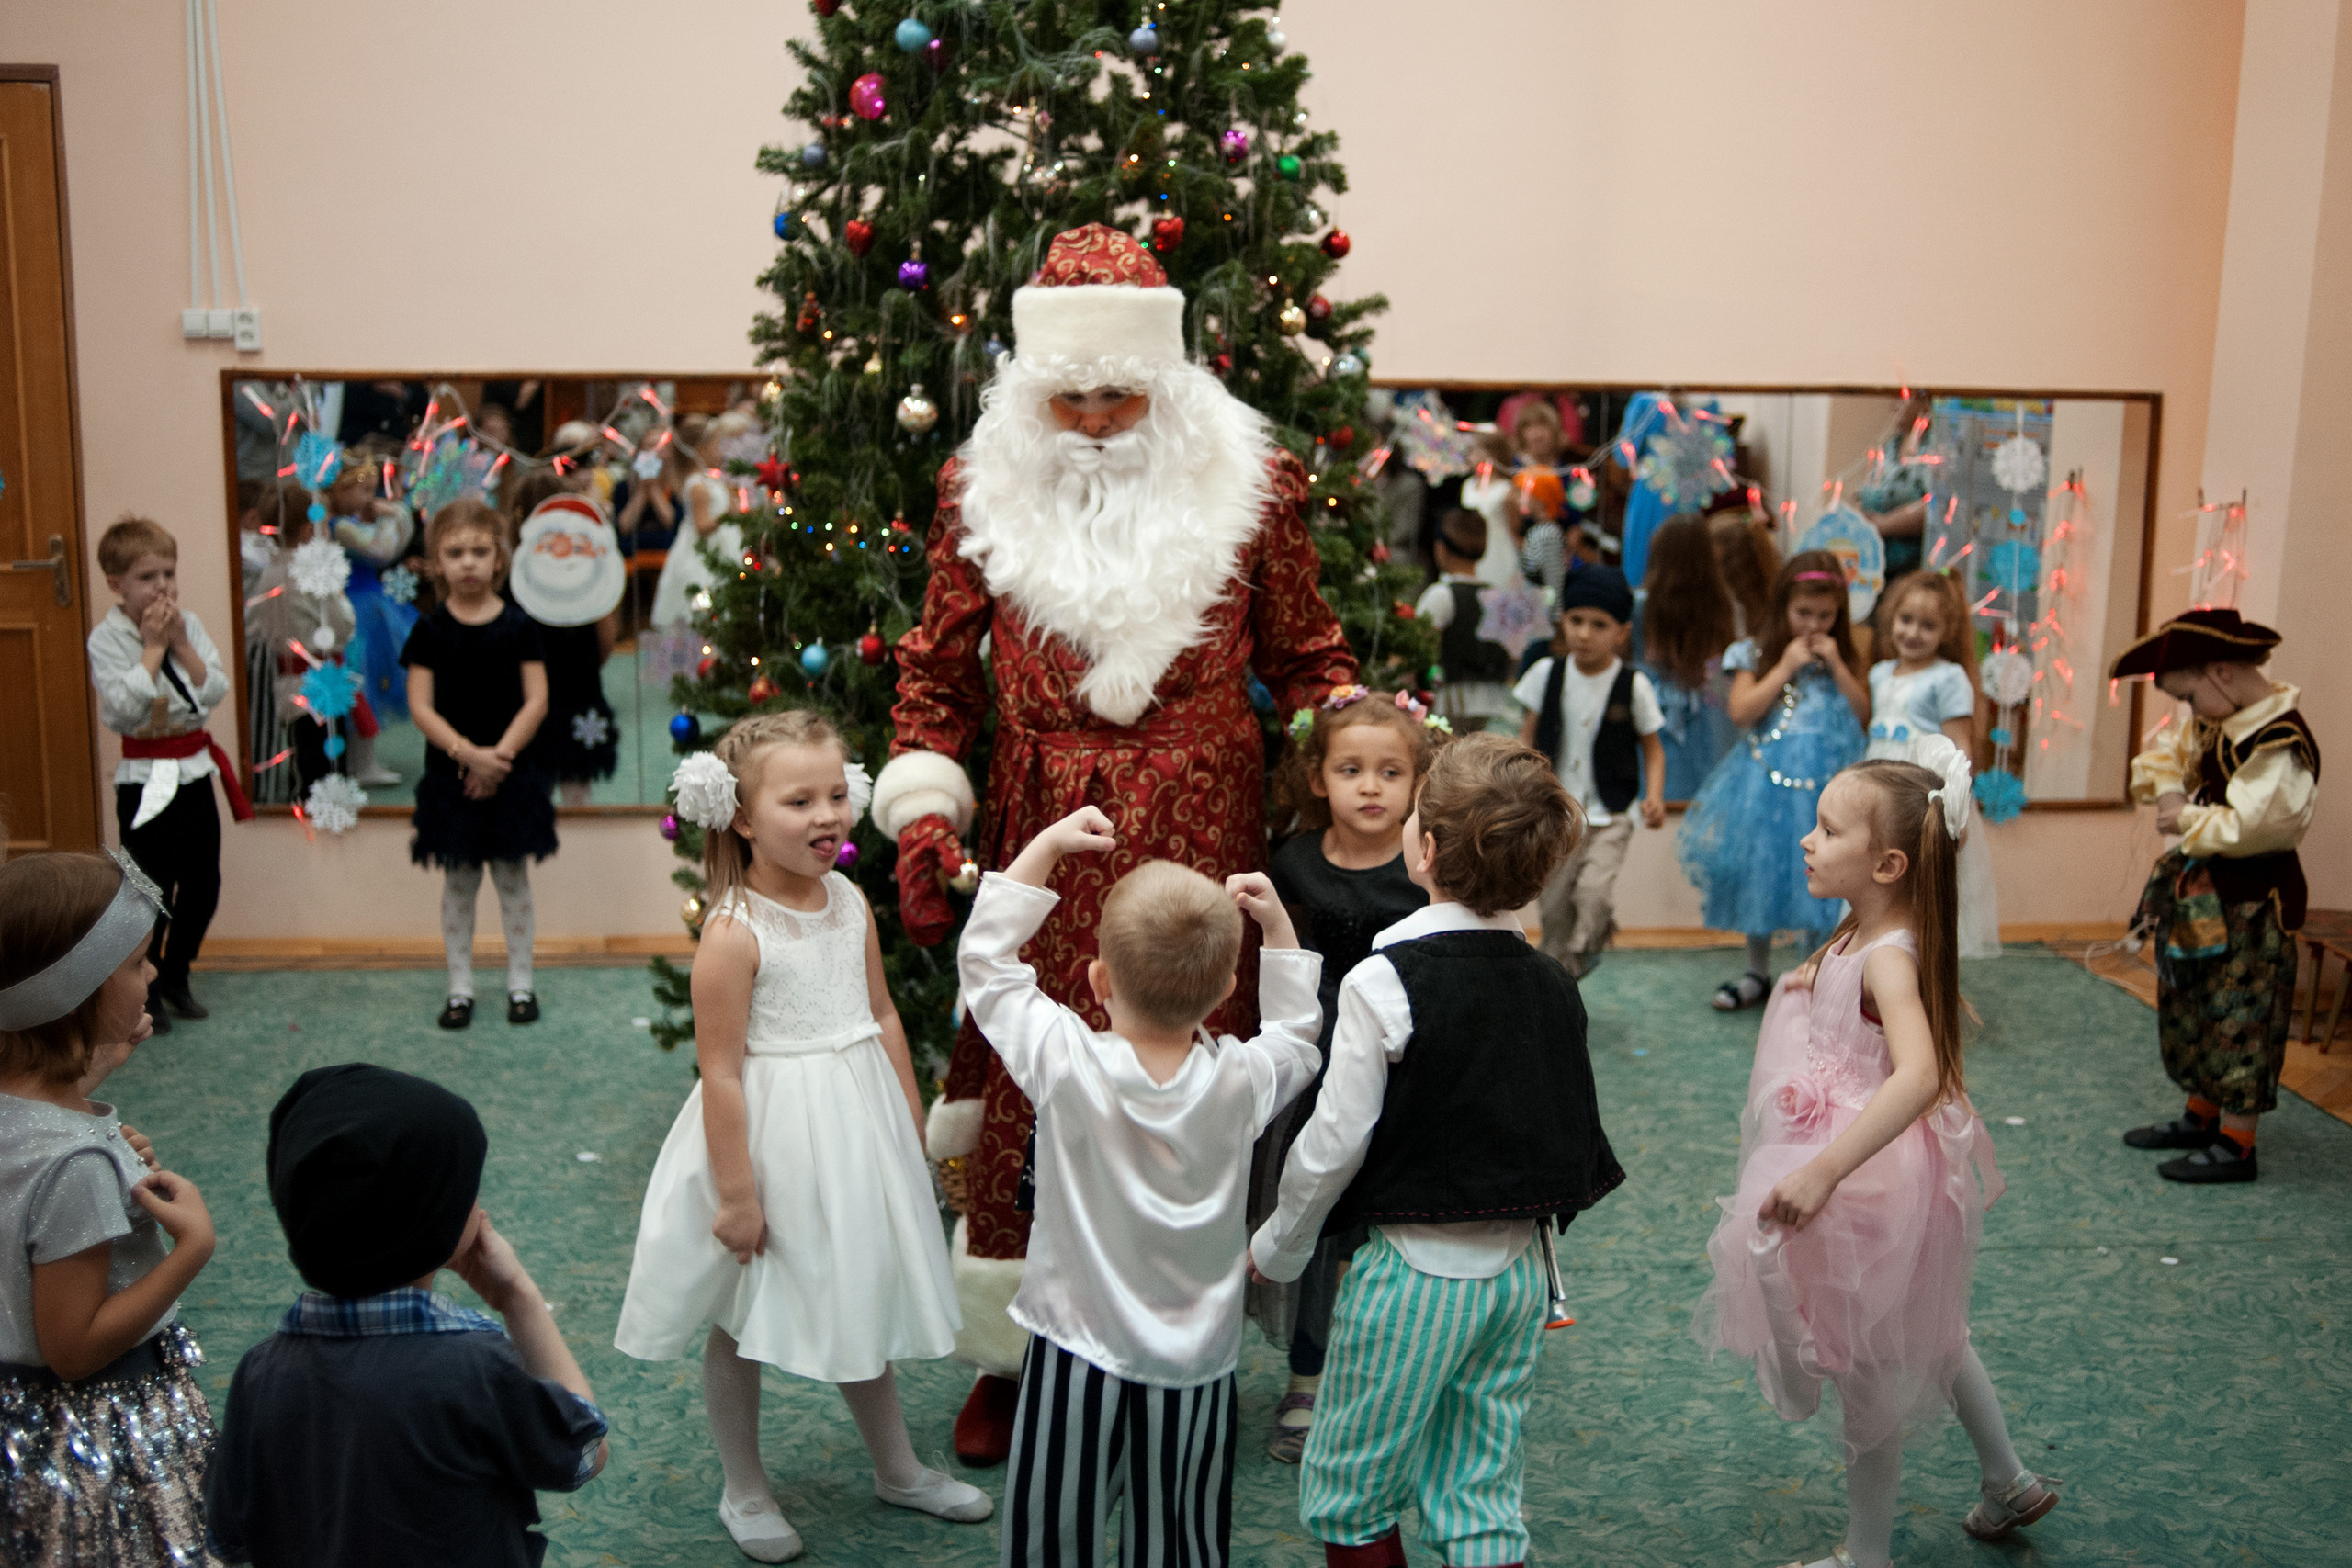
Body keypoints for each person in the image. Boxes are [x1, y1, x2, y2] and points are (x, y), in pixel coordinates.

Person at [874, 222, 1355, 1466]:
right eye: (1069, 395)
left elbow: (1311, 656)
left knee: (1187, 1089)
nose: (1092, 420)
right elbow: (933, 673)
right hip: (1045, 818)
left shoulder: (1258, 486)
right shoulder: (977, 486)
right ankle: (1013, 1346)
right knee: (1031, 1079)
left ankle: (1176, 1332)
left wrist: (1352, 746)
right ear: (1033, 391)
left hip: (1205, 818)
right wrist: (928, 805)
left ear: (1171, 382)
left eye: (1118, 391)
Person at [616, 711, 988, 1561]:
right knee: (738, 1313)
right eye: (798, 800)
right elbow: (720, 1073)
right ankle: (743, 1488)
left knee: (859, 1282)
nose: (826, 815)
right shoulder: (733, 931)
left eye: (834, 795)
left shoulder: (850, 897)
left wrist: (908, 1123)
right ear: (743, 817)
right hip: (769, 1139)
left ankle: (897, 1467)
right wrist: (739, 1194)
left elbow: (883, 1014)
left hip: (856, 1126)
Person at [1251, 733, 1624, 1568]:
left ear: (1423, 850)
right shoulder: (1552, 982)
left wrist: (1279, 1245)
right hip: (1522, 1280)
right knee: (1480, 1490)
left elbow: (1333, 1142)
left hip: (1413, 1279)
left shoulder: (1381, 983)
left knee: (1349, 1488)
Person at [1695, 746, 2053, 1568]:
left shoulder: (1890, 953)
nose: (1806, 841)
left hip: (1861, 1180)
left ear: (1889, 862)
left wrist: (1823, 1171)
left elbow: (1921, 1074)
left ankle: (1866, 1554)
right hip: (1871, 1168)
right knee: (1933, 1329)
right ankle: (2007, 1476)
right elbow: (1839, 985)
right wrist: (1804, 978)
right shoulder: (1869, 924)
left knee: (1865, 1369)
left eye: (1827, 828)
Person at [959, 807, 1321, 1564]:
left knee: (1053, 1526)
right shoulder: (1242, 1079)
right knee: (1180, 1532)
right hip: (1194, 1359)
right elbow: (1296, 1034)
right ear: (1227, 986)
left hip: (1073, 1343)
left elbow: (987, 962)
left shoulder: (1066, 1061)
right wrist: (1278, 924)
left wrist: (1050, 844)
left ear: (1097, 979)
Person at [206, 1064, 609, 1567]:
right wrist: (517, 1298)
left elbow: (229, 1535)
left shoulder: (259, 1371)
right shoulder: (473, 1368)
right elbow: (584, 1454)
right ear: (432, 1218)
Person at [0, 850, 219, 1565]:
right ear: (76, 992)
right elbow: (74, 1347)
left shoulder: (28, 1117)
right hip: (93, 1427)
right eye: (134, 965)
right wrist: (191, 1249)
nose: (152, 973)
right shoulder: (76, 1166)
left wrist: (93, 1088)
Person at [1252, 688, 1440, 1463]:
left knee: (1388, 1226)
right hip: (1315, 1072)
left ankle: (1394, 1374)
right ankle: (1308, 1371)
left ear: (1417, 782)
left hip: (1402, 1065)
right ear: (1318, 777)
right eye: (1351, 769)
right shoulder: (1294, 860)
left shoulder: (1425, 865)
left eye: (1391, 771)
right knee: (1320, 1220)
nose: (1370, 786)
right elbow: (1281, 963)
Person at [2113, 608, 2319, 1185]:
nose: (2188, 711)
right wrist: (2175, 792)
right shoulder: (2214, 722)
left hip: (2253, 908)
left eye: (2189, 696)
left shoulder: (2279, 740)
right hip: (2205, 897)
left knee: (2240, 1016)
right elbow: (2164, 758)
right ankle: (2202, 1116)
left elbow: (2263, 823)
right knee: (2195, 1002)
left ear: (2223, 672)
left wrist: (2188, 815)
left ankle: (2237, 1143)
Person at [1679, 551, 1871, 1010]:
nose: (1813, 624)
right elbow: (1742, 711)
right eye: (1803, 613)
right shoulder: (1755, 653)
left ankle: (1820, 972)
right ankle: (1757, 972)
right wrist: (1784, 666)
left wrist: (1840, 667)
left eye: (1826, 616)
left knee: (1827, 876)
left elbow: (1865, 717)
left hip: (1828, 790)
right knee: (1762, 873)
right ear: (1783, 605)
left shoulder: (1845, 654)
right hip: (1765, 787)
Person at [87, 516, 254, 1032]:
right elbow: (121, 709)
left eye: (168, 573)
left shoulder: (191, 626)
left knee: (203, 882)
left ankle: (179, 972)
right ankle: (148, 985)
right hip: (145, 777)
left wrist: (179, 642)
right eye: (146, 577)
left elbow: (214, 691)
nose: (162, 586)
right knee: (149, 888)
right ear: (116, 585)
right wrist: (153, 649)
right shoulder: (107, 639)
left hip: (193, 770)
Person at [399, 500, 555, 1031]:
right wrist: (470, 756)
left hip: (511, 775)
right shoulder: (429, 631)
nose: (468, 562)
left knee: (513, 880)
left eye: (479, 551)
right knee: (460, 883)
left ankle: (520, 983)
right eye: (455, 552)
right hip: (451, 777)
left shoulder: (520, 626)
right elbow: (420, 706)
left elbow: (536, 699)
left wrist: (498, 761)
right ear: (436, 563)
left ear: (499, 560)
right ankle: (460, 987)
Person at [1514, 567, 1668, 979]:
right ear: (1563, 620)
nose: (1584, 633)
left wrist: (1653, 797)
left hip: (1611, 814)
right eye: (1576, 620)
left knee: (1593, 893)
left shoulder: (1633, 686)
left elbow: (1653, 749)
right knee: (1553, 905)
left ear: (1621, 632)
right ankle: (1557, 977)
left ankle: (1585, 946)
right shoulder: (1546, 674)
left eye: (1599, 625)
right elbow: (1526, 738)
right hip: (1558, 814)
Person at [1868, 571, 1999, 958]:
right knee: (1881, 873)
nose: (1913, 633)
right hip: (1880, 791)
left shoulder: (1948, 677)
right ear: (1891, 618)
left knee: (1917, 882)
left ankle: (1920, 972)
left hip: (1921, 794)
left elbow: (1960, 746)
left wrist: (1951, 802)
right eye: (1905, 620)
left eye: (1928, 626)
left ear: (1947, 631)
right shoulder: (1879, 673)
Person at [503, 468, 621, 807]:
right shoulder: (589, 580)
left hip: (528, 704)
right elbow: (604, 649)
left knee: (531, 791)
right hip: (578, 696)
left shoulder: (510, 582)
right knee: (577, 793)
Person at [322, 446, 418, 786]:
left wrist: (393, 515)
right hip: (355, 611)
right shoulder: (338, 527)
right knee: (362, 684)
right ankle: (361, 764)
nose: (369, 497)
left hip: (370, 606)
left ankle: (361, 760)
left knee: (369, 684)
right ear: (340, 490)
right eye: (362, 489)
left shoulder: (348, 523)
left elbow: (397, 544)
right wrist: (392, 515)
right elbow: (383, 551)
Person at [1640, 513, 1740, 800]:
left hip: (1657, 705)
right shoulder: (1722, 606)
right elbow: (1721, 673)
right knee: (1712, 785)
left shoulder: (1642, 607)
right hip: (1709, 704)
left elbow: (1640, 661)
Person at [1412, 510, 1513, 727]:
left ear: (1440, 548)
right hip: (1493, 703)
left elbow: (1422, 652)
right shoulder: (1500, 597)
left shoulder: (1441, 595)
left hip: (1448, 702)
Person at [649, 412, 744, 631]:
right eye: (716, 445)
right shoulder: (697, 485)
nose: (720, 451)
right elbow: (702, 527)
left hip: (722, 548)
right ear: (700, 449)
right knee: (702, 606)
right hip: (704, 554)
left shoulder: (709, 479)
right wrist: (728, 513)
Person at [1855, 392, 1938, 579]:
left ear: (1924, 401)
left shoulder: (1933, 448)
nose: (1894, 406)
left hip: (1910, 570)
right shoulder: (1891, 445)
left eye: (1902, 398)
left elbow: (1935, 506)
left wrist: (1884, 525)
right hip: (1874, 566)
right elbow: (1867, 490)